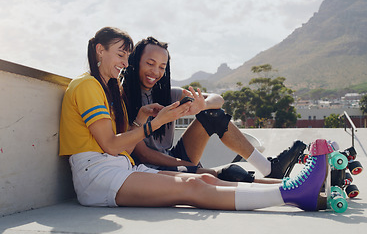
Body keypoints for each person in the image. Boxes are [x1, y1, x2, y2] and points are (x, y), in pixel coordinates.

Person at [59, 26, 330, 211]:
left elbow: (118, 146)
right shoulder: (87, 86)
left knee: (204, 181)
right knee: (194, 185)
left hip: (118, 167)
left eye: (126, 56)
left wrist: (143, 118)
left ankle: (299, 191)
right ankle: (290, 194)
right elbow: (110, 145)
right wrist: (156, 124)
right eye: (121, 55)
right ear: (99, 50)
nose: (124, 62)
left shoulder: (109, 90)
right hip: (99, 173)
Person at [121, 37, 307, 181]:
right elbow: (142, 153)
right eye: (150, 63)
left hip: (174, 157)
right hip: (148, 169)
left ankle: (268, 169)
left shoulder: (168, 94)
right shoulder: (122, 98)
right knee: (227, 176)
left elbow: (218, 99)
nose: (156, 72)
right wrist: (189, 166)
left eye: (162, 67)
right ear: (135, 61)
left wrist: (204, 105)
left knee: (212, 114)